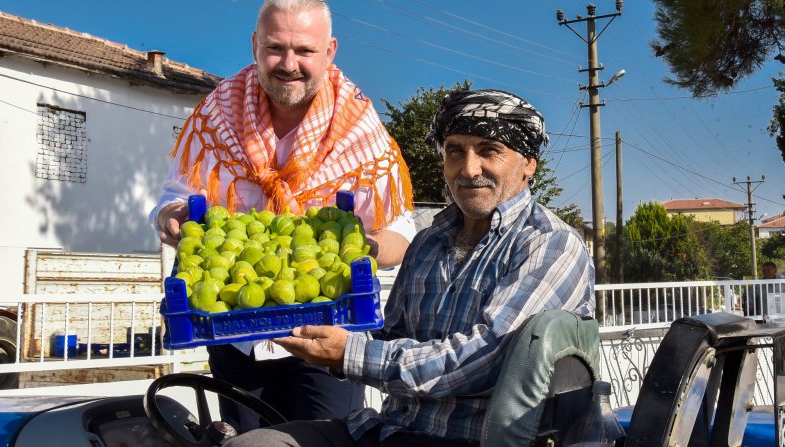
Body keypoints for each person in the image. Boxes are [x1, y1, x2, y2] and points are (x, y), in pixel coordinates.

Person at [226, 89, 595, 446]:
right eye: (455, 151)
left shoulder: (550, 244)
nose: (468, 168)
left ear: (528, 163)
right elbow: (390, 338)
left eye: (489, 151)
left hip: (475, 440)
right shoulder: (426, 243)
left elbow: (488, 359)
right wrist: (319, 332)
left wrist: (351, 354)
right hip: (390, 430)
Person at [148, 0, 416, 434]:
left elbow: (401, 229)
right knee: (245, 441)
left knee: (328, 438)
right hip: (234, 332)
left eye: (304, 51)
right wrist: (170, 216)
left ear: (329, 52)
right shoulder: (217, 115)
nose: (289, 64)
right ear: (255, 46)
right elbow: (173, 196)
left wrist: (367, 248)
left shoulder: (359, 130)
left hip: (327, 334)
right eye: (275, 48)